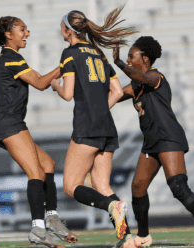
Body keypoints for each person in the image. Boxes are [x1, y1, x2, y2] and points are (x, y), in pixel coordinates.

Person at [112, 36, 194, 247]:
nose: (128, 59)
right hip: (151, 142)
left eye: (131, 56)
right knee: (137, 187)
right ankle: (143, 236)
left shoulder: (155, 77)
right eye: (126, 57)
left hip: (168, 137)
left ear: (145, 59)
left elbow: (144, 79)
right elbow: (114, 93)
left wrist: (118, 63)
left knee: (178, 187)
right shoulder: (135, 84)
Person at [0, 16, 76, 248]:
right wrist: (67, 64)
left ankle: (51, 219)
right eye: (22, 29)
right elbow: (41, 83)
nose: (27, 33)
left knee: (48, 165)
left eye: (27, 29)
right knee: (36, 172)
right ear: (8, 34)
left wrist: (64, 67)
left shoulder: (12, 58)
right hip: (7, 123)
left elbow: (40, 81)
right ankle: (37, 228)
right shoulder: (11, 58)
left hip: (10, 122)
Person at [50, 7, 137, 246]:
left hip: (86, 128)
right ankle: (127, 237)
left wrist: (56, 85)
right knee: (102, 185)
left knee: (71, 186)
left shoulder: (70, 53)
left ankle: (111, 206)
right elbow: (118, 91)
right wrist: (99, 111)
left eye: (61, 27)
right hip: (107, 127)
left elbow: (68, 94)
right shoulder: (99, 53)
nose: (60, 30)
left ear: (69, 30)